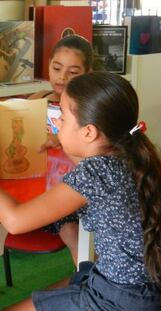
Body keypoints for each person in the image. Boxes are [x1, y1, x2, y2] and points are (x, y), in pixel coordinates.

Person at [0, 71, 161, 310]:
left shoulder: (95, 174)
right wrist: (64, 141)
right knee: (67, 281)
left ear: (89, 132)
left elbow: (15, 221)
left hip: (123, 299)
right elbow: (91, 165)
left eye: (61, 116)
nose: (57, 123)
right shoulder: (132, 153)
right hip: (159, 291)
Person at [30, 35, 94, 264]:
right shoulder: (37, 100)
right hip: (37, 187)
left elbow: (95, 160)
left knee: (70, 230)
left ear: (88, 73)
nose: (62, 77)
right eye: (56, 68)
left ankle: (87, 279)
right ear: (48, 65)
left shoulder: (89, 110)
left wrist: (63, 141)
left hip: (71, 189)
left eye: (73, 72)